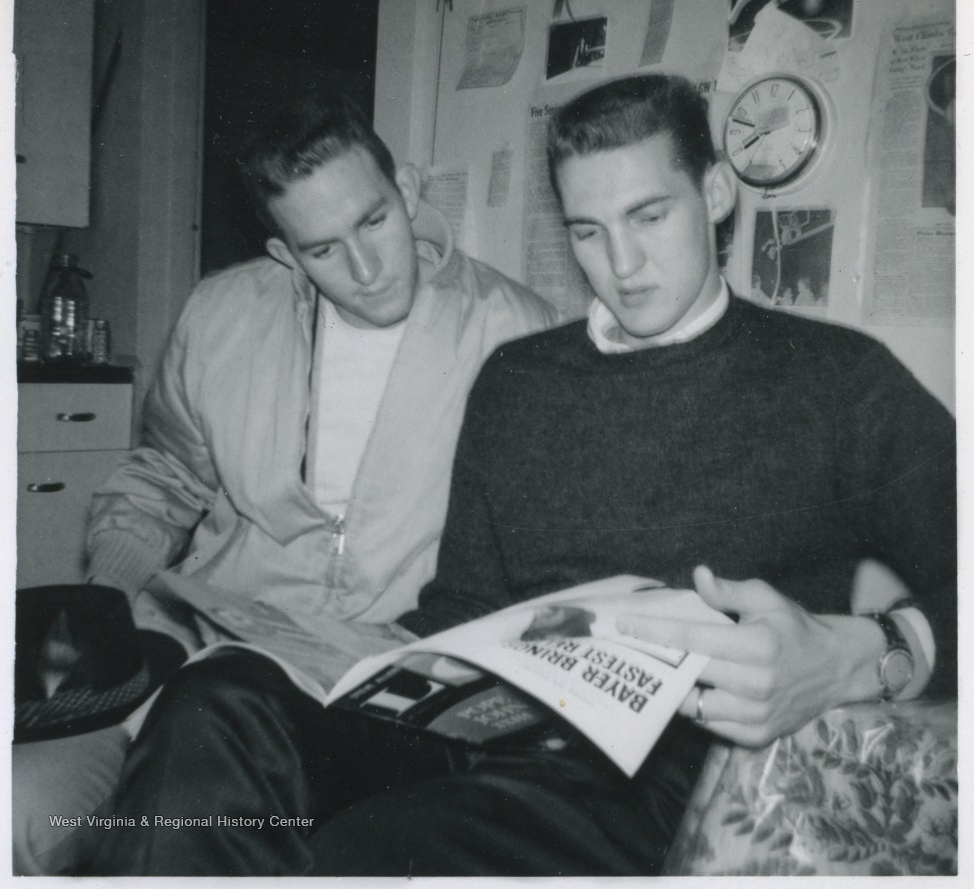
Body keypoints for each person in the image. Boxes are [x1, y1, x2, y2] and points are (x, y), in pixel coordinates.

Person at [91, 74, 955, 876]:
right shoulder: (518, 378)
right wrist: (349, 667)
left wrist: (869, 654)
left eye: (649, 216)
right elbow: (462, 607)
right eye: (587, 231)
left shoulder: (836, 380)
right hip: (490, 730)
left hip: (661, 772)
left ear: (717, 194)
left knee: (366, 852)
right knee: (216, 704)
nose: (621, 265)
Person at [12, 89, 558, 875]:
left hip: (374, 692)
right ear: (284, 253)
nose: (366, 270)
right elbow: (164, 476)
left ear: (407, 191)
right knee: (19, 810)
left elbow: (545, 556)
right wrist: (108, 596)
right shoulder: (220, 315)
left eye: (374, 221)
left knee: (192, 801)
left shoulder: (520, 336)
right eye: (323, 249)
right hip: (196, 654)